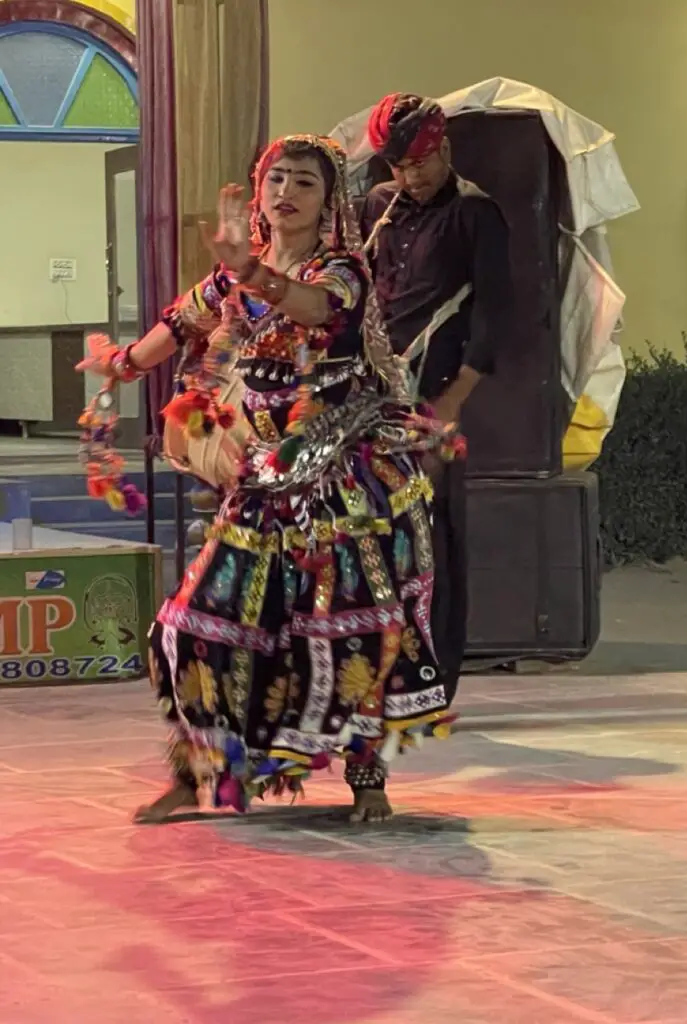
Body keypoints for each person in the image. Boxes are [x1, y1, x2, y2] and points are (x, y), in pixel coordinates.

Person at [78, 134, 461, 825]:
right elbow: (177, 321)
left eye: (304, 184)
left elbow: (314, 310)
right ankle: (197, 771)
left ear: (329, 203)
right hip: (261, 483)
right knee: (194, 626)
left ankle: (366, 776)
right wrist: (121, 365)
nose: (285, 192)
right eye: (276, 179)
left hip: (341, 486)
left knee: (350, 632)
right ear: (257, 192)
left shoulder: (343, 269)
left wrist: (254, 272)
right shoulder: (233, 277)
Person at [361, 93, 512, 706]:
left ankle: (437, 680)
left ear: (444, 149)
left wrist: (454, 398)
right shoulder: (377, 209)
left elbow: (498, 314)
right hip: (373, 398)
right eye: (397, 166)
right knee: (373, 531)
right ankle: (376, 667)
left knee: (436, 535)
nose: (410, 177)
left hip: (436, 396)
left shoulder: (477, 213)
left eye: (419, 163)